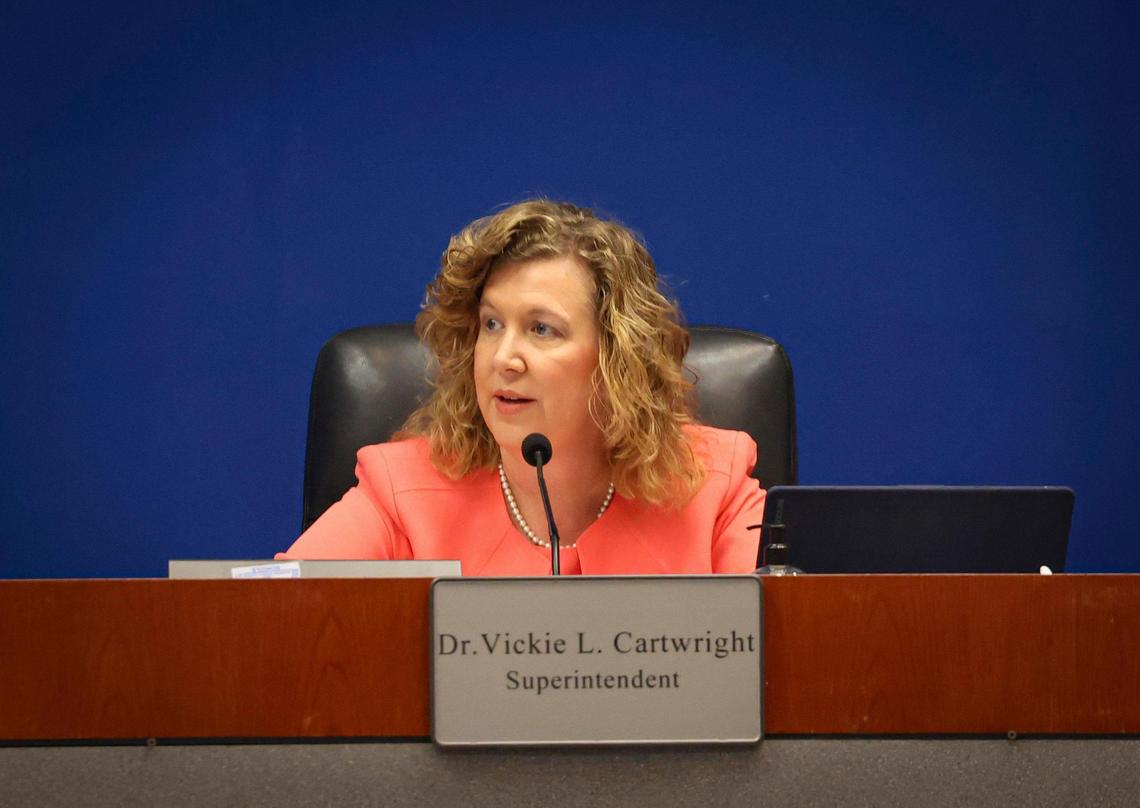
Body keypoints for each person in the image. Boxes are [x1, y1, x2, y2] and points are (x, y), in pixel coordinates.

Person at [278, 200, 765, 575]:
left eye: (541, 329)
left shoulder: (713, 487)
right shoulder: (401, 492)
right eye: (491, 324)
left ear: (618, 356)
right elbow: (271, 612)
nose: (503, 358)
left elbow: (790, 644)